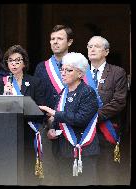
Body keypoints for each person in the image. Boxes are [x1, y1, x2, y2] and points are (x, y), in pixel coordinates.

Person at [40, 52, 99, 186]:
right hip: (63, 151)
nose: (63, 73)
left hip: (83, 150)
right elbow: (57, 119)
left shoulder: (87, 92)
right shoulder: (63, 92)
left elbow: (81, 119)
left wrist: (54, 113)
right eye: (62, 69)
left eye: (69, 70)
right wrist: (51, 130)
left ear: (80, 73)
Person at [33, 24, 74, 185]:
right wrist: (49, 118)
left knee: (70, 174)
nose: (55, 42)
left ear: (70, 42)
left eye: (60, 39)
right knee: (49, 174)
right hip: (47, 125)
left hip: (71, 125)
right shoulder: (42, 67)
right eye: (52, 39)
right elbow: (38, 97)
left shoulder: (80, 64)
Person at [2, 45, 47, 185]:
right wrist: (4, 96)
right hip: (8, 134)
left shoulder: (34, 82)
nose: (14, 64)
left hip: (29, 132)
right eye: (10, 60)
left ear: (24, 63)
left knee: (27, 172)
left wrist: (21, 108)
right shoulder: (2, 82)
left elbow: (41, 111)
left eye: (17, 60)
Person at [86, 36, 128, 185]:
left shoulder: (117, 73)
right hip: (83, 134)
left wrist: (93, 117)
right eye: (89, 46)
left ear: (106, 51)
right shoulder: (80, 73)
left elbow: (119, 101)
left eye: (96, 46)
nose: (92, 49)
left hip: (106, 132)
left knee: (107, 176)